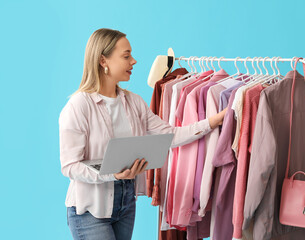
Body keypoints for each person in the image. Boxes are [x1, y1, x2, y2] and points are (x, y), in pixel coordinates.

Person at [59, 28, 227, 240]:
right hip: (90, 209)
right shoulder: (78, 106)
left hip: (126, 203)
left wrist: (213, 121)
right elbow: (70, 166)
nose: (134, 61)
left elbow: (170, 135)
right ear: (103, 61)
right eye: (126, 56)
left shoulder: (134, 102)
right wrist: (113, 174)